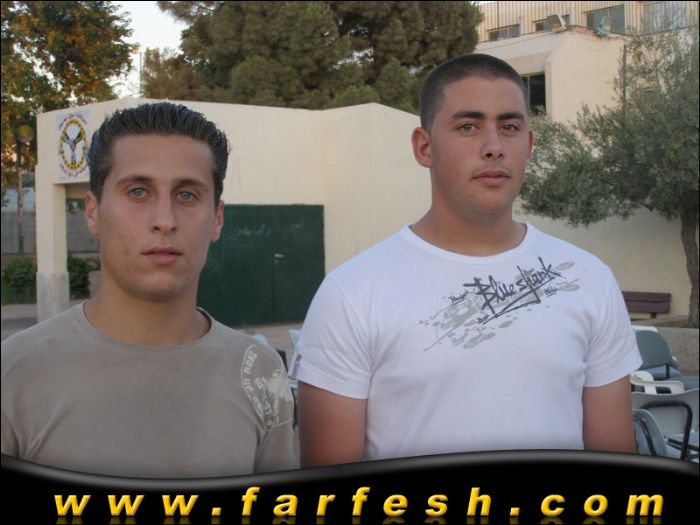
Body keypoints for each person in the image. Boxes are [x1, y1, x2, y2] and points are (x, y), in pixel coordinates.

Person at [296, 54, 641, 466]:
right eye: (468, 127)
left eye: (509, 127)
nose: (494, 147)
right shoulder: (352, 293)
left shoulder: (588, 278)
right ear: (424, 147)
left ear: (530, 145)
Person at [1, 102, 296, 477]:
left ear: (217, 219)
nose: (164, 221)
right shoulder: (14, 373)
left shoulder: (259, 373)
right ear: (93, 212)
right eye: (138, 191)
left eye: (186, 195)